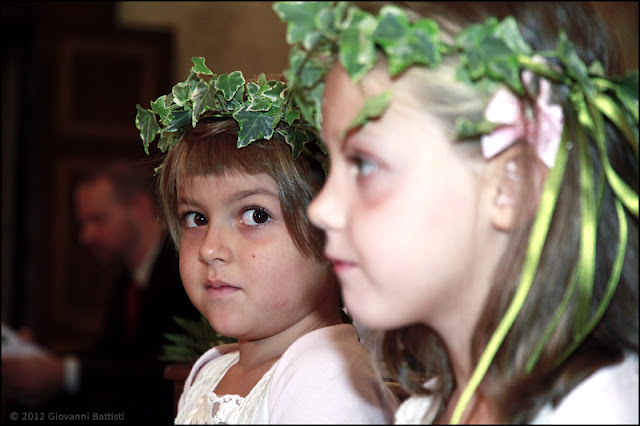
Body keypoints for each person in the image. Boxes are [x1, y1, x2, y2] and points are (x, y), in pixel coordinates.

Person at [274, 1, 639, 424]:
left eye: (364, 165)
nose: (321, 209)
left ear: (511, 184)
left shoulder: (595, 411)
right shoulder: (424, 410)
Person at [134, 59, 398, 423]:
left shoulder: (325, 376)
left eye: (256, 215)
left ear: (332, 232)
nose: (210, 248)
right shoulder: (211, 372)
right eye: (196, 218)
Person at [2, 160, 201, 423]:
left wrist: (64, 372)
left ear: (140, 208)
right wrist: (39, 362)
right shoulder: (126, 278)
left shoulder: (182, 269)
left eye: (97, 219)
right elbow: (111, 357)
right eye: (83, 223)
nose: (86, 236)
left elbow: (160, 373)